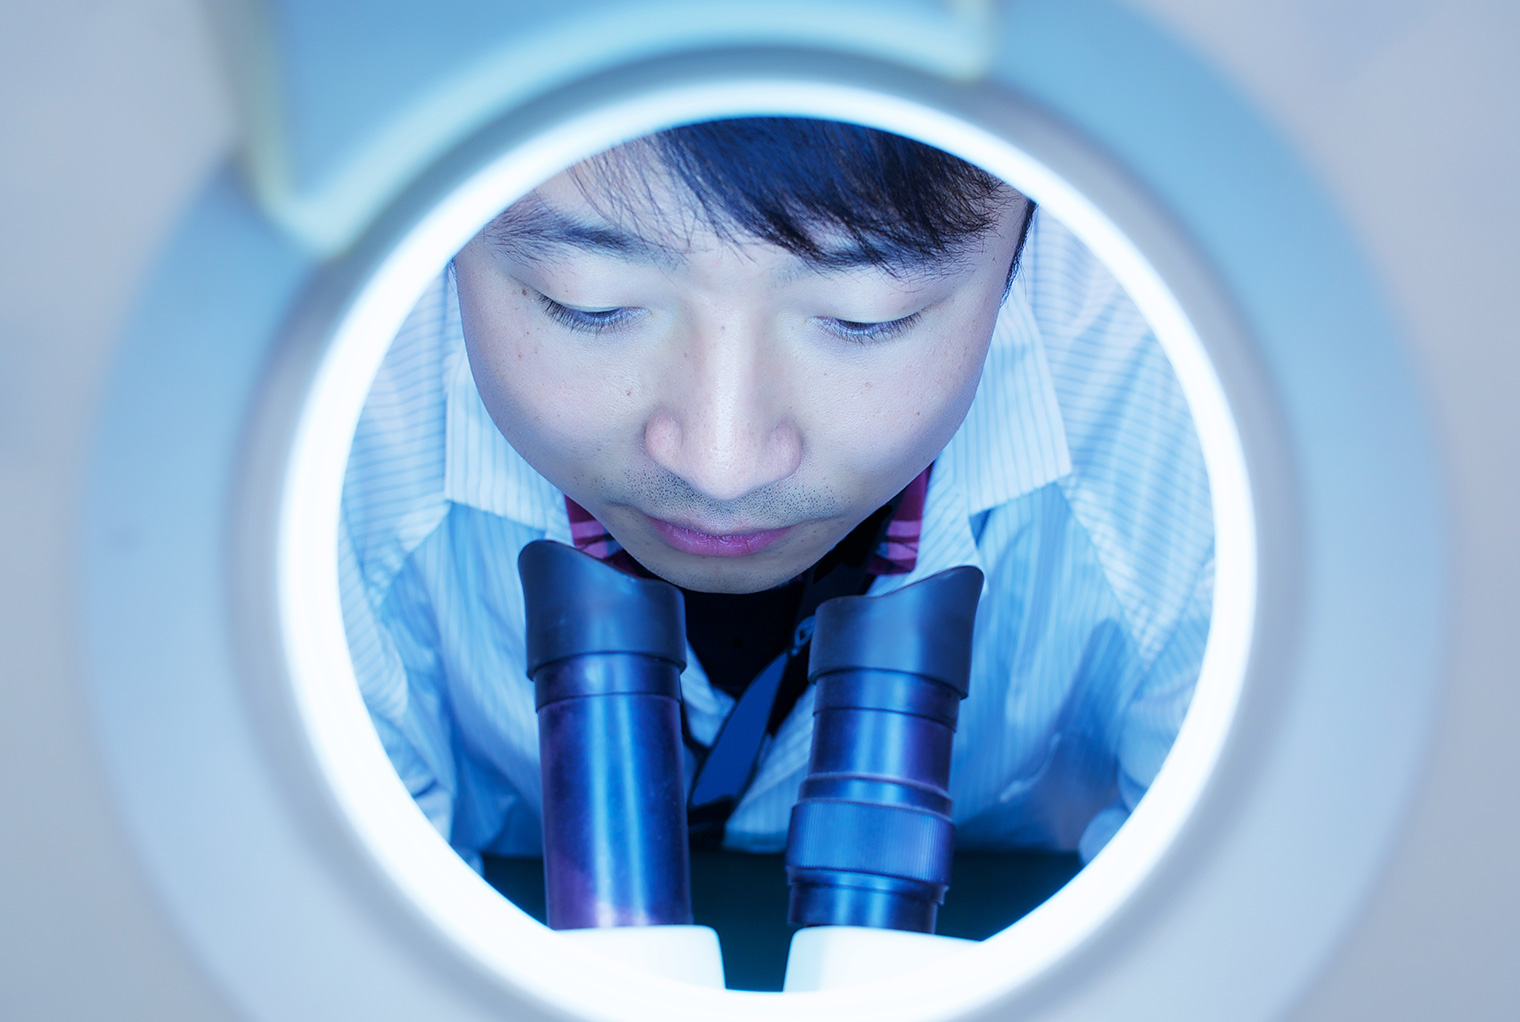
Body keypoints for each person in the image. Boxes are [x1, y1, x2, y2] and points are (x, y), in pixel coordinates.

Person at [339, 118, 1213, 874]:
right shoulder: (310, 426)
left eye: (864, 316)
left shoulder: (1196, 416)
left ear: (1031, 221)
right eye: (588, 304)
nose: (722, 465)